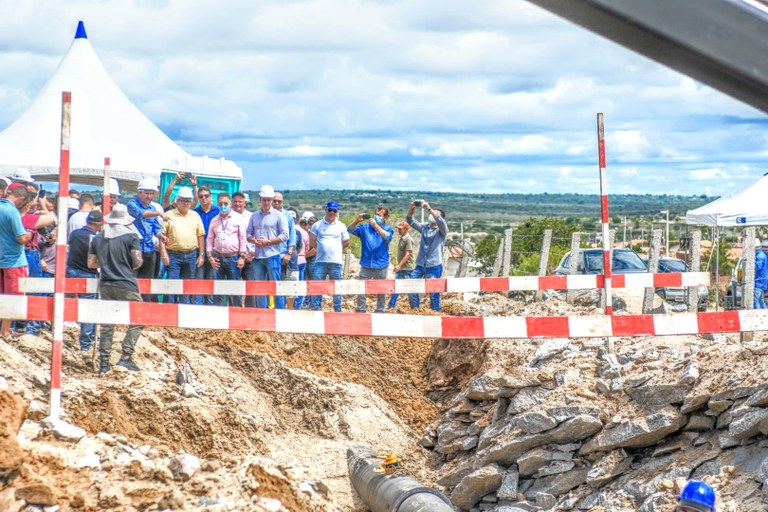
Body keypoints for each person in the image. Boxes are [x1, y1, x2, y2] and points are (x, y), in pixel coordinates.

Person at [88, 204, 144, 375]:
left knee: (107, 323)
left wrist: (107, 264)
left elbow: (91, 263)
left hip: (106, 284)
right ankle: (126, 356)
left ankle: (104, 362)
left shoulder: (98, 237)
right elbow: (137, 262)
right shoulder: (131, 236)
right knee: (139, 317)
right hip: (126, 283)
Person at [160, 186, 205, 304]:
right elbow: (162, 235)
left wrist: (201, 255)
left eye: (188, 200)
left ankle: (184, 309)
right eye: (183, 200)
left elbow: (200, 235)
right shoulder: (169, 215)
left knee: (187, 284)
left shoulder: (195, 215)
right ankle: (170, 311)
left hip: (191, 255)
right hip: (173, 255)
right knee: (172, 283)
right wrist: (164, 252)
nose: (186, 203)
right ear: (177, 201)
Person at [246, 185, 289, 309]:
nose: (266, 202)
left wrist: (268, 242)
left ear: (271, 200)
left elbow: (285, 235)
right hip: (258, 256)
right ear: (260, 199)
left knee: (276, 286)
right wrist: (254, 240)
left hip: (273, 255)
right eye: (264, 199)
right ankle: (262, 314)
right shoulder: (254, 216)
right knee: (260, 287)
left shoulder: (279, 216)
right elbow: (248, 233)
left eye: (268, 200)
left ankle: (280, 312)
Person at [0, 183, 33, 338]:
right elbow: (21, 238)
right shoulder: (12, 211)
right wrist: (30, 235)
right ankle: (5, 331)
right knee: (12, 298)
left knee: (2, 297)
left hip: (2, 258)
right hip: (13, 261)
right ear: (21, 199)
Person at [67, 210, 102, 350]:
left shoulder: (74, 234)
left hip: (71, 270)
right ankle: (86, 343)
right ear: (99, 224)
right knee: (88, 308)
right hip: (88, 274)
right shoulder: (96, 238)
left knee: (69, 302)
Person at [348, 205, 394, 313]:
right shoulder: (365, 227)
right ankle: (361, 308)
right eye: (376, 214)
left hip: (381, 264)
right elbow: (349, 229)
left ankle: (380, 309)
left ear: (385, 217)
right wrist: (356, 221)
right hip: (366, 264)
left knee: (381, 289)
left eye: (379, 215)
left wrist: (376, 227)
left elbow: (387, 237)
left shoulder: (388, 229)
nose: (376, 216)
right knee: (362, 288)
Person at [127, 178, 167, 300]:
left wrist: (161, 235)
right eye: (147, 193)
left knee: (147, 282)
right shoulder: (131, 204)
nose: (149, 196)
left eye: (151, 193)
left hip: (149, 250)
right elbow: (141, 213)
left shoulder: (153, 209)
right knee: (132, 280)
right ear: (139, 192)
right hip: (135, 249)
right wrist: (159, 214)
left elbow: (156, 228)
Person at [406, 200, 448, 311]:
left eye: (435, 213)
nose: (432, 214)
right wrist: (412, 208)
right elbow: (410, 221)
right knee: (411, 286)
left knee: (434, 292)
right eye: (432, 212)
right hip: (420, 264)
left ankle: (435, 312)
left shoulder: (442, 230)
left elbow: (440, 221)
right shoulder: (425, 227)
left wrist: (429, 208)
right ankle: (416, 310)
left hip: (434, 266)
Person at [206, 192, 246, 306]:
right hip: (217, 257)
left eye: (225, 203)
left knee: (234, 289)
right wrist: (210, 257)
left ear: (230, 204)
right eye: (221, 203)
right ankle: (218, 315)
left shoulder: (238, 218)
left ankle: (236, 314)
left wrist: (242, 257)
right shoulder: (214, 220)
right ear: (218, 204)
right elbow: (209, 239)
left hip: (233, 258)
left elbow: (242, 238)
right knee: (218, 288)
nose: (223, 206)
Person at [309, 201, 349, 312]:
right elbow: (312, 240)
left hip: (335, 262)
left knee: (337, 287)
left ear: (337, 212)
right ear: (326, 210)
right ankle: (316, 308)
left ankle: (337, 309)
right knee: (317, 286)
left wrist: (336, 248)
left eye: (334, 210)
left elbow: (346, 241)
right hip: (320, 261)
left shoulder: (341, 226)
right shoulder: (317, 225)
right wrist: (321, 248)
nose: (331, 212)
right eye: (330, 210)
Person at [194, 185, 220, 305]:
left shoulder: (218, 212)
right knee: (198, 280)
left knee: (211, 280)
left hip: (215, 251)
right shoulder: (194, 213)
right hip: (199, 251)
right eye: (201, 196)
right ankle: (198, 307)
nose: (204, 198)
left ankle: (210, 308)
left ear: (211, 197)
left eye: (206, 196)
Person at [232, 191, 255, 307]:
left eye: (240, 202)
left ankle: (249, 310)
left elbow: (256, 235)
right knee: (235, 285)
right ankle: (235, 310)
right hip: (234, 256)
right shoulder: (228, 216)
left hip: (250, 256)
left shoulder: (252, 216)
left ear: (245, 203)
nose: (237, 204)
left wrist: (252, 253)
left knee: (250, 285)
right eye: (235, 201)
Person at [388, 220, 418, 309]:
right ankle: (391, 306)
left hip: (408, 269)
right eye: (398, 229)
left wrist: (399, 265)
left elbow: (408, 254)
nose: (399, 230)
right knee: (395, 288)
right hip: (401, 269)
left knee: (411, 289)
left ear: (406, 229)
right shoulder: (402, 238)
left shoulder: (408, 240)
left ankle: (415, 308)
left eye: (401, 229)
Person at [293, 212, 312, 309]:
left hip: (293, 260)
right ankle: (298, 304)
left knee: (291, 283)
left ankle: (291, 304)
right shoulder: (305, 233)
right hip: (302, 260)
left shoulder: (292, 230)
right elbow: (307, 248)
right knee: (300, 283)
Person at [756, 238, 768, 309]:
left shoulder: (760, 256)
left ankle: (758, 316)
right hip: (763, 281)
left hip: (760, 281)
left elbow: (757, 266)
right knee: (761, 300)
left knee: (757, 300)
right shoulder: (764, 255)